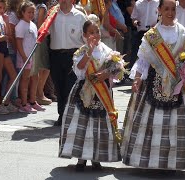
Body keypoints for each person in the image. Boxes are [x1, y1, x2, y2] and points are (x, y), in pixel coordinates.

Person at [121, 0, 185, 171]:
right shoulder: (152, 35)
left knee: (178, 124)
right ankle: (152, 161)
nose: (170, 12)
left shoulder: (182, 32)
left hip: (177, 83)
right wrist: (137, 79)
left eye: (173, 9)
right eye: (166, 9)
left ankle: (176, 162)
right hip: (153, 83)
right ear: (159, 10)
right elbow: (143, 60)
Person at [59, 19, 122, 171]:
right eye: (91, 32)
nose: (95, 35)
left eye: (97, 32)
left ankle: (96, 157)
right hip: (84, 91)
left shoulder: (107, 50)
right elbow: (79, 68)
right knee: (83, 124)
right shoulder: (81, 51)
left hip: (102, 92)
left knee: (98, 125)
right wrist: (89, 52)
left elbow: (117, 68)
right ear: (85, 35)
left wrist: (106, 73)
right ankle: (81, 158)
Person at [49, 0, 87, 126]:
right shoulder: (52, 15)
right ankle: (62, 115)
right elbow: (43, 32)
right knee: (59, 86)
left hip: (73, 55)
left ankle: (70, 115)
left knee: (70, 87)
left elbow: (86, 38)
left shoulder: (80, 16)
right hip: (56, 55)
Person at [15, 0, 45, 113]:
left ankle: (32, 101)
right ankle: (24, 103)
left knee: (35, 77)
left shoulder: (32, 25)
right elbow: (18, 43)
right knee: (25, 79)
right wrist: (23, 56)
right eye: (29, 12)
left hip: (33, 56)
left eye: (33, 12)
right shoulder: (21, 25)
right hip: (25, 57)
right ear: (22, 12)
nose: (31, 14)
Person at [0, 0, 18, 114]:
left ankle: (6, 101)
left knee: (13, 75)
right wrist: (4, 37)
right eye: (0, 7)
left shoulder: (2, 18)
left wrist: (6, 21)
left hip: (4, 47)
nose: (2, 10)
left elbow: (8, 34)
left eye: (3, 8)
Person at [32, 0, 53, 106]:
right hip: (42, 39)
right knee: (44, 67)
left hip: (37, 38)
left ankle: (39, 93)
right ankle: (39, 93)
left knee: (44, 67)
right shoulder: (42, 7)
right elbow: (41, 25)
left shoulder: (36, 6)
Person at [130, 0, 159, 69]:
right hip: (141, 33)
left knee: (153, 56)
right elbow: (133, 18)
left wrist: (157, 23)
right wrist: (136, 22)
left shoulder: (158, 2)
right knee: (136, 54)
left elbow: (162, 17)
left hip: (153, 33)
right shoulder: (138, 3)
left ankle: (150, 77)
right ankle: (132, 76)